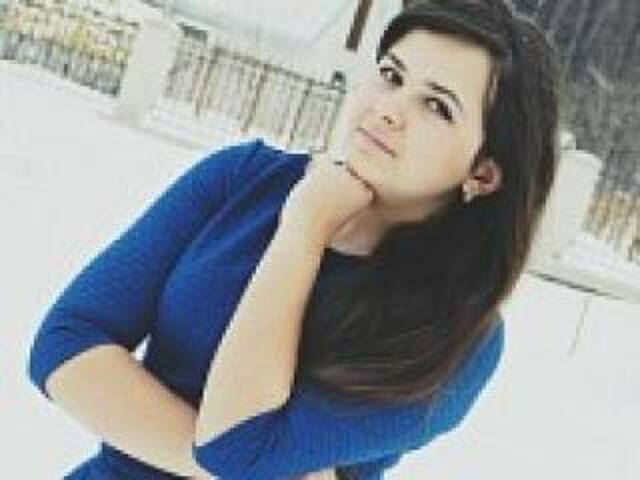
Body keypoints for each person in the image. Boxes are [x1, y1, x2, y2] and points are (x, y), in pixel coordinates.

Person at [26, 0, 560, 479]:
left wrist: (303, 232)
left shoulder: (460, 336)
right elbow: (66, 343)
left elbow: (236, 444)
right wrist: (243, 470)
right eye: (391, 75)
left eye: (436, 106)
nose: (388, 108)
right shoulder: (244, 178)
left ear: (483, 173)